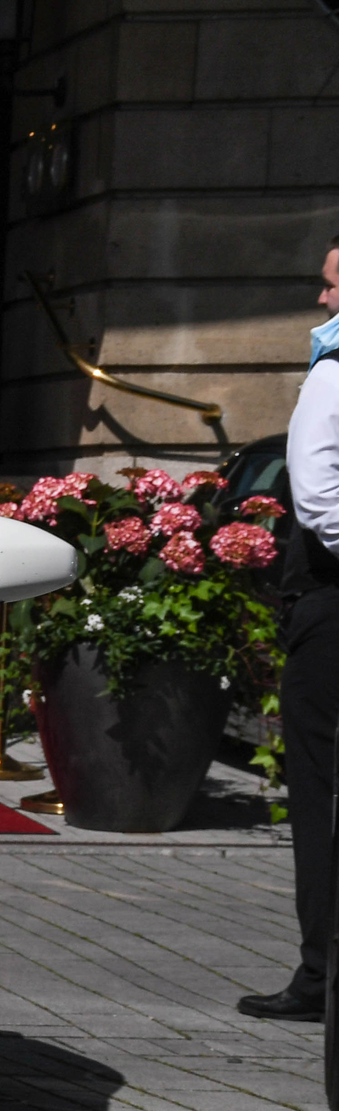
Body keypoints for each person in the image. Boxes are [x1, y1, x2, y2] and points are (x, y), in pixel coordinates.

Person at [239, 233, 339, 1022]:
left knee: (321, 791)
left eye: (334, 286)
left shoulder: (331, 378)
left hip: (331, 607)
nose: (322, 300)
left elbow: (318, 503)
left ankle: (321, 975)